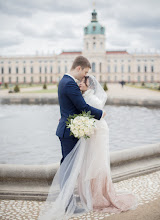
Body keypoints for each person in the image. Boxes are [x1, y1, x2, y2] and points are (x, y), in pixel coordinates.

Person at [38, 56, 106, 220]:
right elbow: (81, 107)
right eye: (85, 72)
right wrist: (100, 114)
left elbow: (69, 108)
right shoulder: (69, 83)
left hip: (67, 130)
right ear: (78, 68)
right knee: (69, 169)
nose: (85, 76)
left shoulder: (65, 81)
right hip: (69, 133)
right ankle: (68, 206)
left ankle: (68, 200)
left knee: (68, 167)